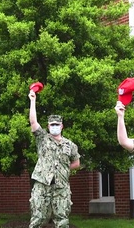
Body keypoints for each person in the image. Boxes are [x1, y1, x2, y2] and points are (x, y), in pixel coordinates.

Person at [28, 90, 81, 228]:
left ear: (62, 126)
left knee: (62, 221)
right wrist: (33, 100)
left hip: (61, 187)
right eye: (52, 125)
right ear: (48, 126)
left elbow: (76, 163)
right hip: (42, 185)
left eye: (57, 124)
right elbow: (33, 122)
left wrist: (63, 169)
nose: (55, 127)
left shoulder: (70, 145)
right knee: (38, 219)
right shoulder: (43, 139)